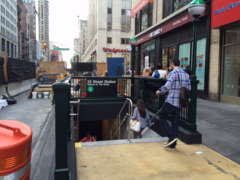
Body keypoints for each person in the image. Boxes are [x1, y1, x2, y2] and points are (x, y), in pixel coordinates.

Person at [156, 58, 191, 150]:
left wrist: (159, 91)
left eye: (170, 64)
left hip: (171, 101)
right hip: (180, 102)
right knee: (175, 123)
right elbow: (189, 88)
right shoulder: (186, 75)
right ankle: (173, 145)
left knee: (162, 116)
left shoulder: (172, 73)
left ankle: (171, 136)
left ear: (172, 64)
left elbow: (167, 87)